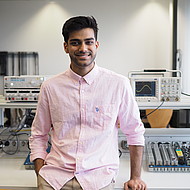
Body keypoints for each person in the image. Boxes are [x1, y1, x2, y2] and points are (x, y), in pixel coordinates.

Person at [29, 16, 147, 190]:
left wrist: (135, 177)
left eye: (88, 42)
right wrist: (40, 172)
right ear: (66, 47)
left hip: (99, 179)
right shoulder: (50, 87)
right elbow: (38, 134)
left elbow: (134, 131)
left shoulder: (118, 84)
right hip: (55, 179)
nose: (83, 48)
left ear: (96, 45)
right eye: (75, 43)